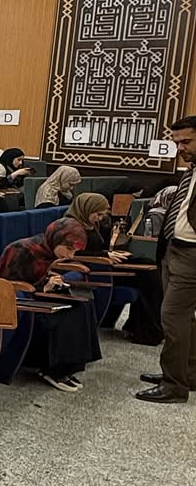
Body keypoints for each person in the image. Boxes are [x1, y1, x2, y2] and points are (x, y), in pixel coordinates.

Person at [0, 218, 102, 393]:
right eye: (69, 249)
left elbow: (36, 277)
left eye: (74, 252)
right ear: (57, 239)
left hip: (34, 296)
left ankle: (68, 368)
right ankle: (52, 370)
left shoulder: (46, 251)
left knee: (82, 304)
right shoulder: (21, 250)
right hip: (16, 305)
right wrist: (43, 286)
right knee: (68, 313)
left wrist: (51, 280)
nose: (70, 256)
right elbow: (5, 287)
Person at [138, 116, 196, 403]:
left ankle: (174, 386)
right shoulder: (191, 170)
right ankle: (187, 374)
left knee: (172, 317)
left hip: (192, 253)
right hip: (173, 248)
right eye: (176, 142)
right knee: (184, 318)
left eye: (186, 141)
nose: (180, 148)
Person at [66, 193, 164, 347]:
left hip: (104, 262)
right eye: (97, 214)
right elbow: (72, 254)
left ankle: (145, 328)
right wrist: (104, 255)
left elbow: (97, 247)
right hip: (96, 270)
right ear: (86, 209)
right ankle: (146, 332)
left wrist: (109, 252)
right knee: (148, 278)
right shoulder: (71, 227)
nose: (100, 218)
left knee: (150, 267)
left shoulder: (90, 224)